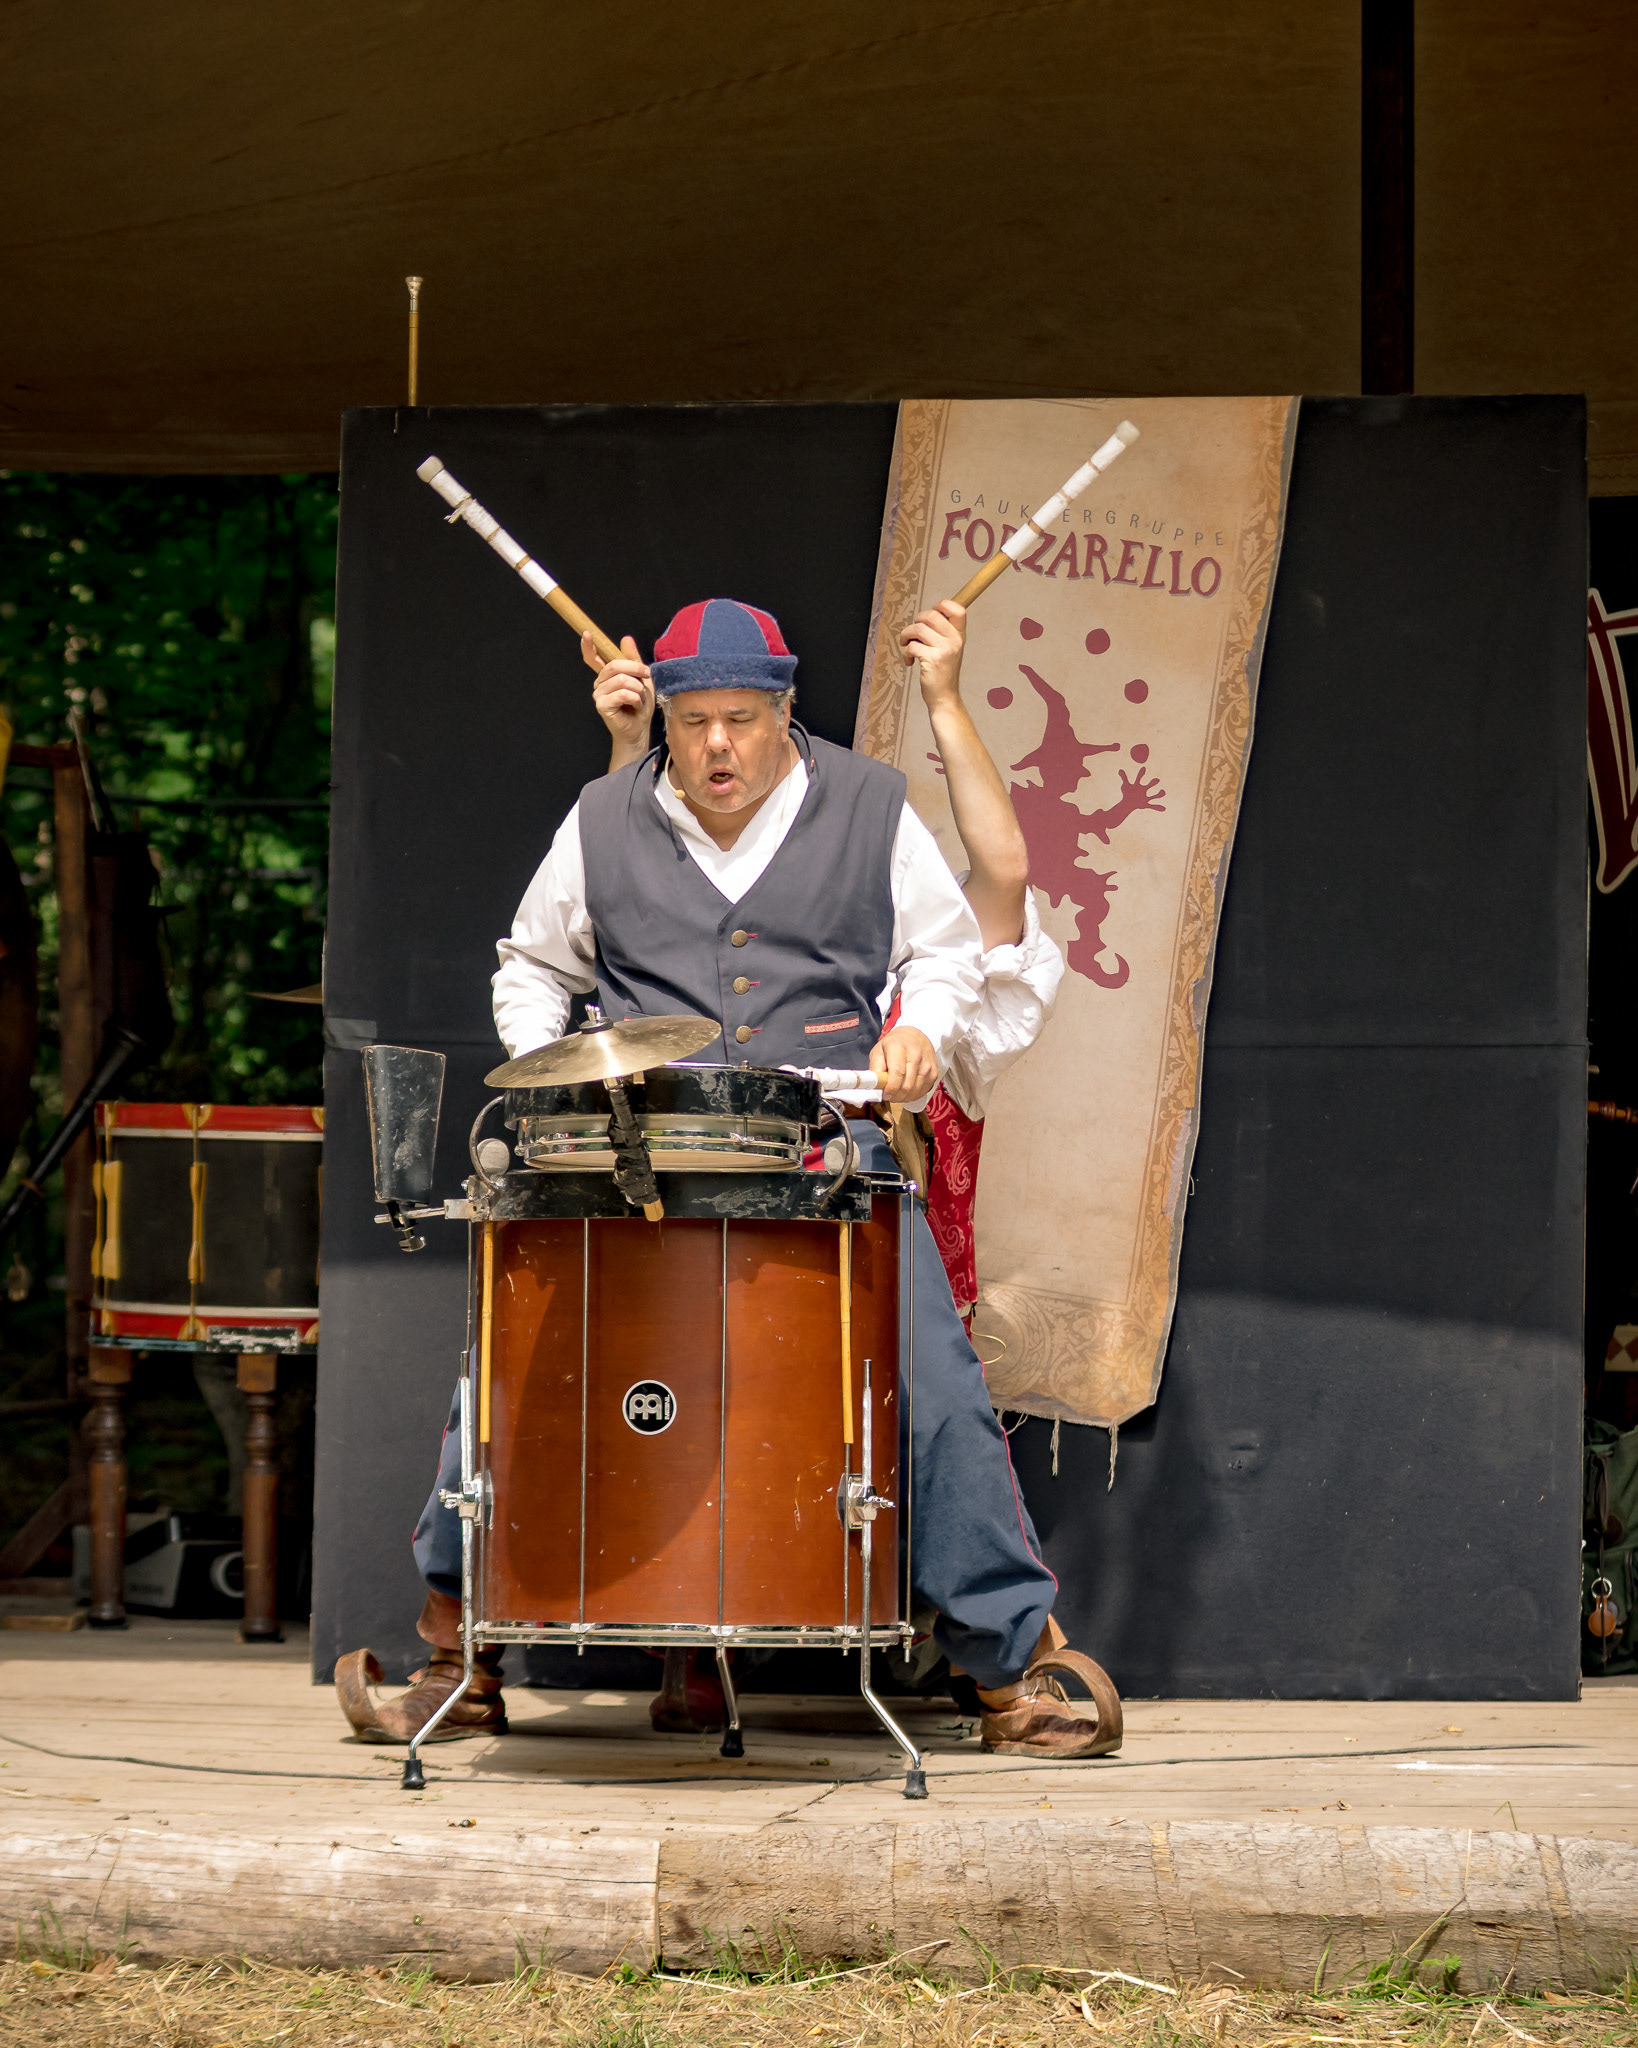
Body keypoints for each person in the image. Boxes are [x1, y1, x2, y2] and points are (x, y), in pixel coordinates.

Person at [336, 598, 1117, 1760]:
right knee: (510, 1368)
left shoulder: (871, 805)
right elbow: (532, 964)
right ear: (667, 720)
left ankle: (1008, 1672)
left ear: (783, 711)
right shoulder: (605, 814)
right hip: (647, 1152)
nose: (716, 747)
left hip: (824, 1150)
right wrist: (553, 1072)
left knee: (936, 1385)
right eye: (695, 721)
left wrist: (918, 1031)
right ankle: (458, 1654)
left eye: (742, 721)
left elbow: (948, 952)